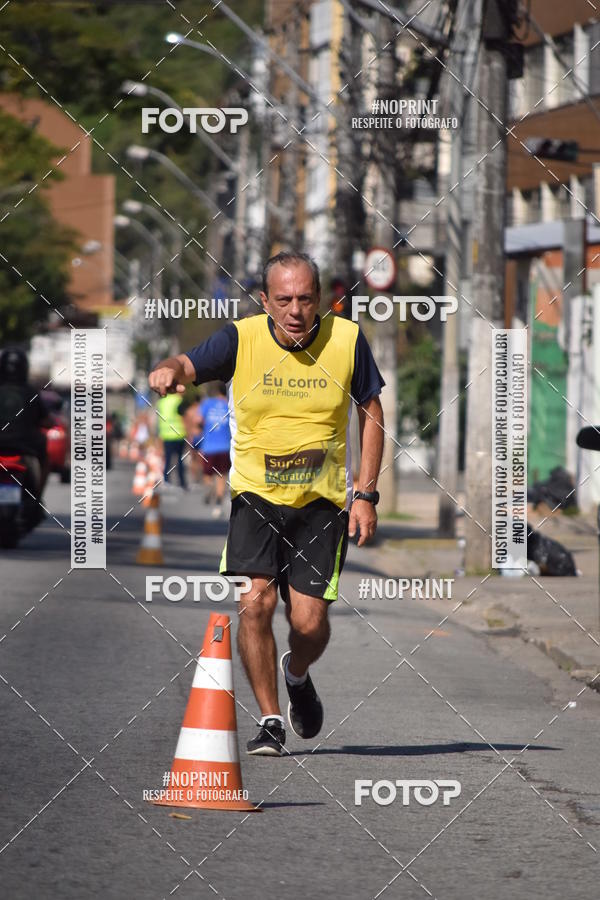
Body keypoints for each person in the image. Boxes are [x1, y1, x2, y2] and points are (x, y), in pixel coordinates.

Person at [149, 250, 384, 756]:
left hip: (321, 503)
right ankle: (271, 718)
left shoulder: (346, 339)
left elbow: (371, 412)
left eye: (304, 299)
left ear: (320, 299)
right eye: (283, 300)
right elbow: (188, 363)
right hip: (255, 496)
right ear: (265, 300)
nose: (295, 310)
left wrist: (365, 493)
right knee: (253, 603)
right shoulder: (241, 337)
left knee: (309, 624)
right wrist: (168, 368)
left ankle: (297, 676)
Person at [0, 347, 51, 514]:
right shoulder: (30, 392)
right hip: (25, 445)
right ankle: (37, 498)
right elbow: (46, 421)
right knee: (45, 454)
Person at [197, 382, 231, 517]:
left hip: (209, 446)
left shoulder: (208, 403)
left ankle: (210, 487)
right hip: (224, 446)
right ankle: (218, 501)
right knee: (222, 474)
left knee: (207, 473)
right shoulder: (229, 405)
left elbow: (198, 420)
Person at [156, 392, 187, 489]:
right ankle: (181, 482)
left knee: (168, 459)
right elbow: (184, 417)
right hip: (179, 434)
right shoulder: (179, 400)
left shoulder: (161, 402)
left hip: (166, 434)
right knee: (180, 460)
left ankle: (166, 480)